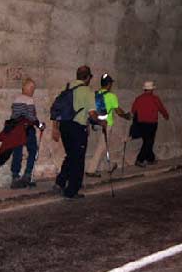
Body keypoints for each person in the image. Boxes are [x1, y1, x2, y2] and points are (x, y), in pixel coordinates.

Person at [52, 66, 103, 199]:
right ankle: (71, 191)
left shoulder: (68, 88)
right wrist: (101, 121)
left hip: (64, 126)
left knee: (70, 155)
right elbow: (92, 113)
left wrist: (55, 128)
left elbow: (59, 109)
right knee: (78, 160)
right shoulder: (87, 91)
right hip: (77, 128)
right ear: (87, 77)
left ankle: (60, 182)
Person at [86, 73, 131, 177]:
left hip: (96, 124)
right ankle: (91, 170)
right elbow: (118, 111)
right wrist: (126, 116)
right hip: (106, 124)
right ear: (109, 84)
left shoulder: (95, 94)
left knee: (103, 146)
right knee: (101, 147)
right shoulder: (111, 96)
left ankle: (109, 165)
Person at [8, 78, 45, 188]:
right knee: (33, 150)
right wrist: (40, 125)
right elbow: (31, 117)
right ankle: (28, 174)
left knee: (17, 152)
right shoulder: (29, 100)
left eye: (33, 88)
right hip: (27, 130)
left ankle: (15, 177)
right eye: (31, 88)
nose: (33, 90)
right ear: (25, 87)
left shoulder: (16, 99)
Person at [130, 81, 169, 167]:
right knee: (149, 142)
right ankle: (139, 159)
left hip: (141, 123)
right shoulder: (155, 98)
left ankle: (150, 158)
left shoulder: (138, 98)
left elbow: (133, 110)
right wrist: (166, 115)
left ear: (144, 89)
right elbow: (161, 108)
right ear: (152, 89)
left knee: (147, 141)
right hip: (151, 123)